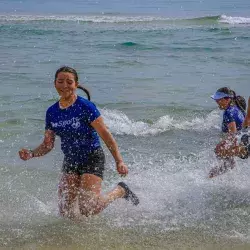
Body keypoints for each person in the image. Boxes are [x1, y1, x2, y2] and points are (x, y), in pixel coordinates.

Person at [19, 66, 139, 219]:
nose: (64, 86)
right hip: (70, 159)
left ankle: (120, 191)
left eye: (69, 82)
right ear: (54, 83)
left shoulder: (86, 107)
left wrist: (119, 161)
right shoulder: (52, 112)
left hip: (91, 157)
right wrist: (31, 154)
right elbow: (47, 145)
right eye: (60, 81)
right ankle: (75, 241)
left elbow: (106, 135)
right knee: (65, 211)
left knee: (88, 208)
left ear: (76, 84)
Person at [209, 87, 247, 178]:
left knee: (218, 150)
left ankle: (216, 174)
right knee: (223, 153)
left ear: (227, 99)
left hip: (242, 141)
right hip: (244, 138)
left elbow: (233, 133)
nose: (217, 102)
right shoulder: (237, 108)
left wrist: (225, 145)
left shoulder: (229, 112)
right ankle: (227, 168)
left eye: (219, 100)